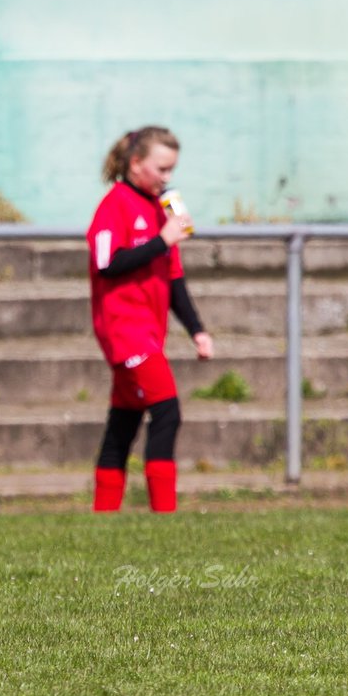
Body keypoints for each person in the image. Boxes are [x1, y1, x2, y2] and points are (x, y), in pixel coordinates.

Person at [86, 126, 213, 513]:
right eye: (161, 168)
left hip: (148, 333)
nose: (167, 178)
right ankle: (164, 513)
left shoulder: (161, 211)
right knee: (167, 410)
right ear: (136, 163)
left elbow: (173, 279)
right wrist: (162, 239)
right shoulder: (116, 204)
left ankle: (103, 512)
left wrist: (197, 330)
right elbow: (107, 263)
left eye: (171, 169)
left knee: (124, 419)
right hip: (124, 331)